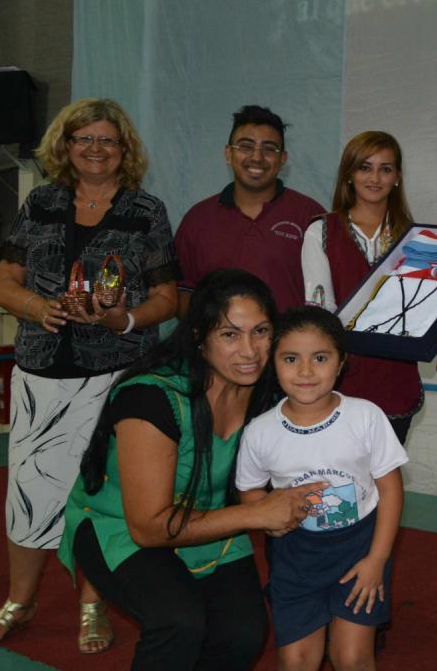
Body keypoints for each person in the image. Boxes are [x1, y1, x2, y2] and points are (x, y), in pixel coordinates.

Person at [0, 98, 179, 655]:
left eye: (107, 140)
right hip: (41, 373)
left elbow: (167, 297)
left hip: (117, 376)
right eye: (83, 138)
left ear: (125, 150)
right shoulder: (40, 203)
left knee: (97, 492)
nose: (95, 148)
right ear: (65, 147)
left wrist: (126, 318)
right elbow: (2, 283)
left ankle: (93, 603)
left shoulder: (147, 210)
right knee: (28, 491)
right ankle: (21, 601)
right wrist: (37, 308)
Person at [59, 269, 324, 670]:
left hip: (212, 524)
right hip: (120, 527)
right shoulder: (151, 397)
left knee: (244, 633)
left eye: (261, 331)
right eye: (230, 334)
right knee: (178, 622)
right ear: (199, 337)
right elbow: (148, 527)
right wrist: (257, 513)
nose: (250, 351)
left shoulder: (269, 395)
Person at [235, 306, 407, 671]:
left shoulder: (365, 416)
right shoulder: (260, 431)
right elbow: (250, 495)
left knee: (352, 658)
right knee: (297, 662)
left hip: (360, 548)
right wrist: (273, 518)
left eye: (321, 357)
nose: (306, 371)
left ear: (341, 362)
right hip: (295, 557)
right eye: (291, 358)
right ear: (272, 362)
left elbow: (390, 490)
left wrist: (377, 560)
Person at [302, 131, 422, 444]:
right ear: (349, 175)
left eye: (385, 169)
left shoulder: (415, 237)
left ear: (397, 177)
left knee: (386, 479)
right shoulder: (321, 230)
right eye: (365, 167)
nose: (375, 178)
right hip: (341, 376)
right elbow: (320, 312)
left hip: (396, 376)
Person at [175, 104, 326, 314]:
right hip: (221, 346)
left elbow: (328, 293)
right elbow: (183, 294)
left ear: (283, 159)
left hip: (288, 345)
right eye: (246, 146)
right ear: (228, 154)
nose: (257, 157)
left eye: (269, 148)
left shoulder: (310, 215)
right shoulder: (197, 220)